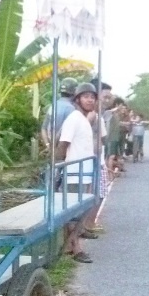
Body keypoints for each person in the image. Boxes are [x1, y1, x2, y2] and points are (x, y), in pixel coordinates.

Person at [57, 82, 104, 263]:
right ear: (77, 99)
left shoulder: (83, 120)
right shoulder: (74, 118)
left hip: (83, 172)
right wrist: (57, 169)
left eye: (92, 97)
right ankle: (76, 249)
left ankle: (69, 245)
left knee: (79, 212)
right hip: (74, 172)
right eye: (86, 97)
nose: (90, 100)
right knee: (74, 214)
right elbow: (63, 144)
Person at [41, 77, 78, 150]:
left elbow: (43, 128)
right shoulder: (71, 108)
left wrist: (48, 145)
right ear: (75, 91)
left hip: (52, 148)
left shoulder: (53, 106)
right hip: (64, 149)